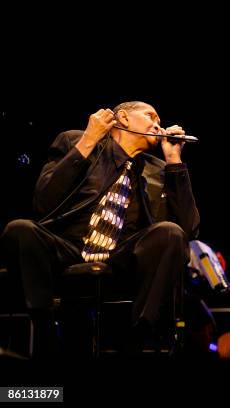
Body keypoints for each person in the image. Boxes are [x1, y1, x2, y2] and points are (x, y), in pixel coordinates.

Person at [0, 101, 200, 357]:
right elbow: (43, 203)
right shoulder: (77, 141)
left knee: (170, 232)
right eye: (151, 116)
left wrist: (174, 160)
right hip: (68, 248)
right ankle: (45, 333)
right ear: (123, 119)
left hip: (122, 257)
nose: (158, 124)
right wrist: (88, 140)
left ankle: (136, 339)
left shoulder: (159, 169)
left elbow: (188, 231)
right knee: (19, 229)